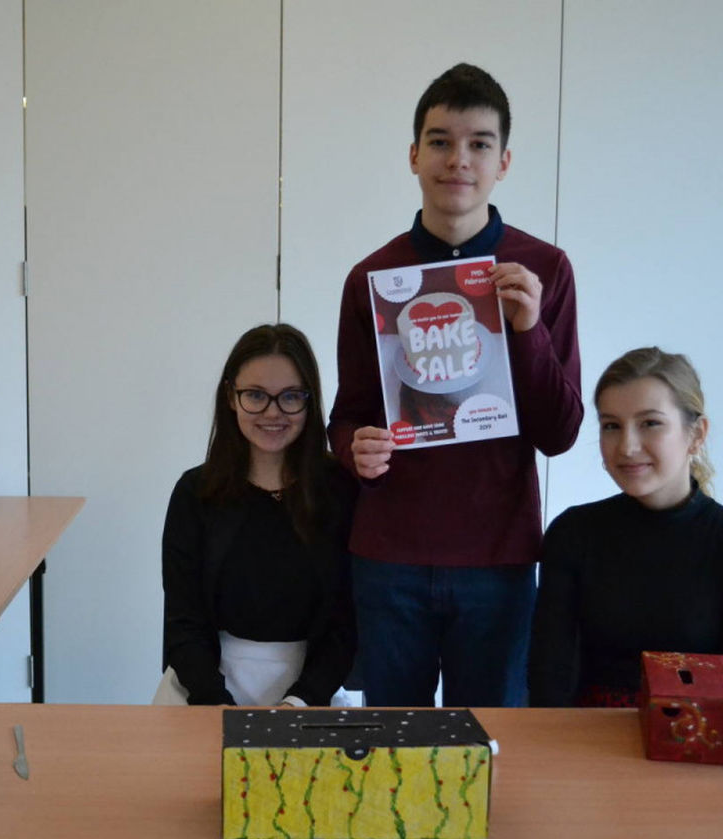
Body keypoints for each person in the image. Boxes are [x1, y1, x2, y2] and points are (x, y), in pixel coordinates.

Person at [328, 63, 582, 708]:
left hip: (497, 557)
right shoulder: (373, 278)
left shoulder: (543, 270)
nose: (458, 159)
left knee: (493, 752)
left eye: (479, 143)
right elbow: (345, 421)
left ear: (504, 160)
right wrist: (353, 450)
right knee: (391, 754)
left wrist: (527, 331)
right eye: (440, 141)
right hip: (389, 557)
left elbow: (560, 433)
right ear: (414, 155)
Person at [155, 323, 356, 706]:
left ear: (310, 401)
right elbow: (183, 620)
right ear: (230, 397)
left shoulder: (340, 490)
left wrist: (298, 702)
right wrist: (216, 703)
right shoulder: (195, 492)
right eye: (255, 395)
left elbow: (347, 624)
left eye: (291, 396)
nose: (272, 412)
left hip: (313, 690)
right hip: (206, 688)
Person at [529, 347, 723, 707]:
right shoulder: (574, 533)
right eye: (611, 426)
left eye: (650, 423)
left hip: (698, 745)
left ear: (697, 434)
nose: (628, 447)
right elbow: (549, 679)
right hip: (588, 742)